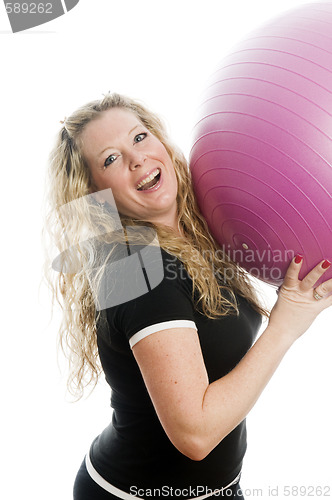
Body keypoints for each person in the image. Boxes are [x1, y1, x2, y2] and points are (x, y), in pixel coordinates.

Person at [45, 93, 332, 500]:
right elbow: (195, 434)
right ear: (96, 192)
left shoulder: (196, 225)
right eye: (111, 159)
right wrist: (285, 327)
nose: (137, 159)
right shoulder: (135, 269)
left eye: (140, 137)